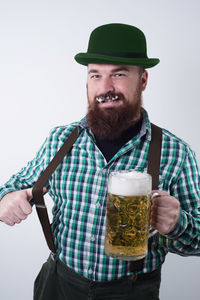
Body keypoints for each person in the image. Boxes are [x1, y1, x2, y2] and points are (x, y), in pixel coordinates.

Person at [0, 23, 200, 300]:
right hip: (59, 285)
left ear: (142, 80)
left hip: (131, 291)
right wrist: (6, 199)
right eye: (96, 75)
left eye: (118, 74)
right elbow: (18, 185)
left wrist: (179, 223)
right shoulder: (61, 139)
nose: (105, 87)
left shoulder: (175, 152)